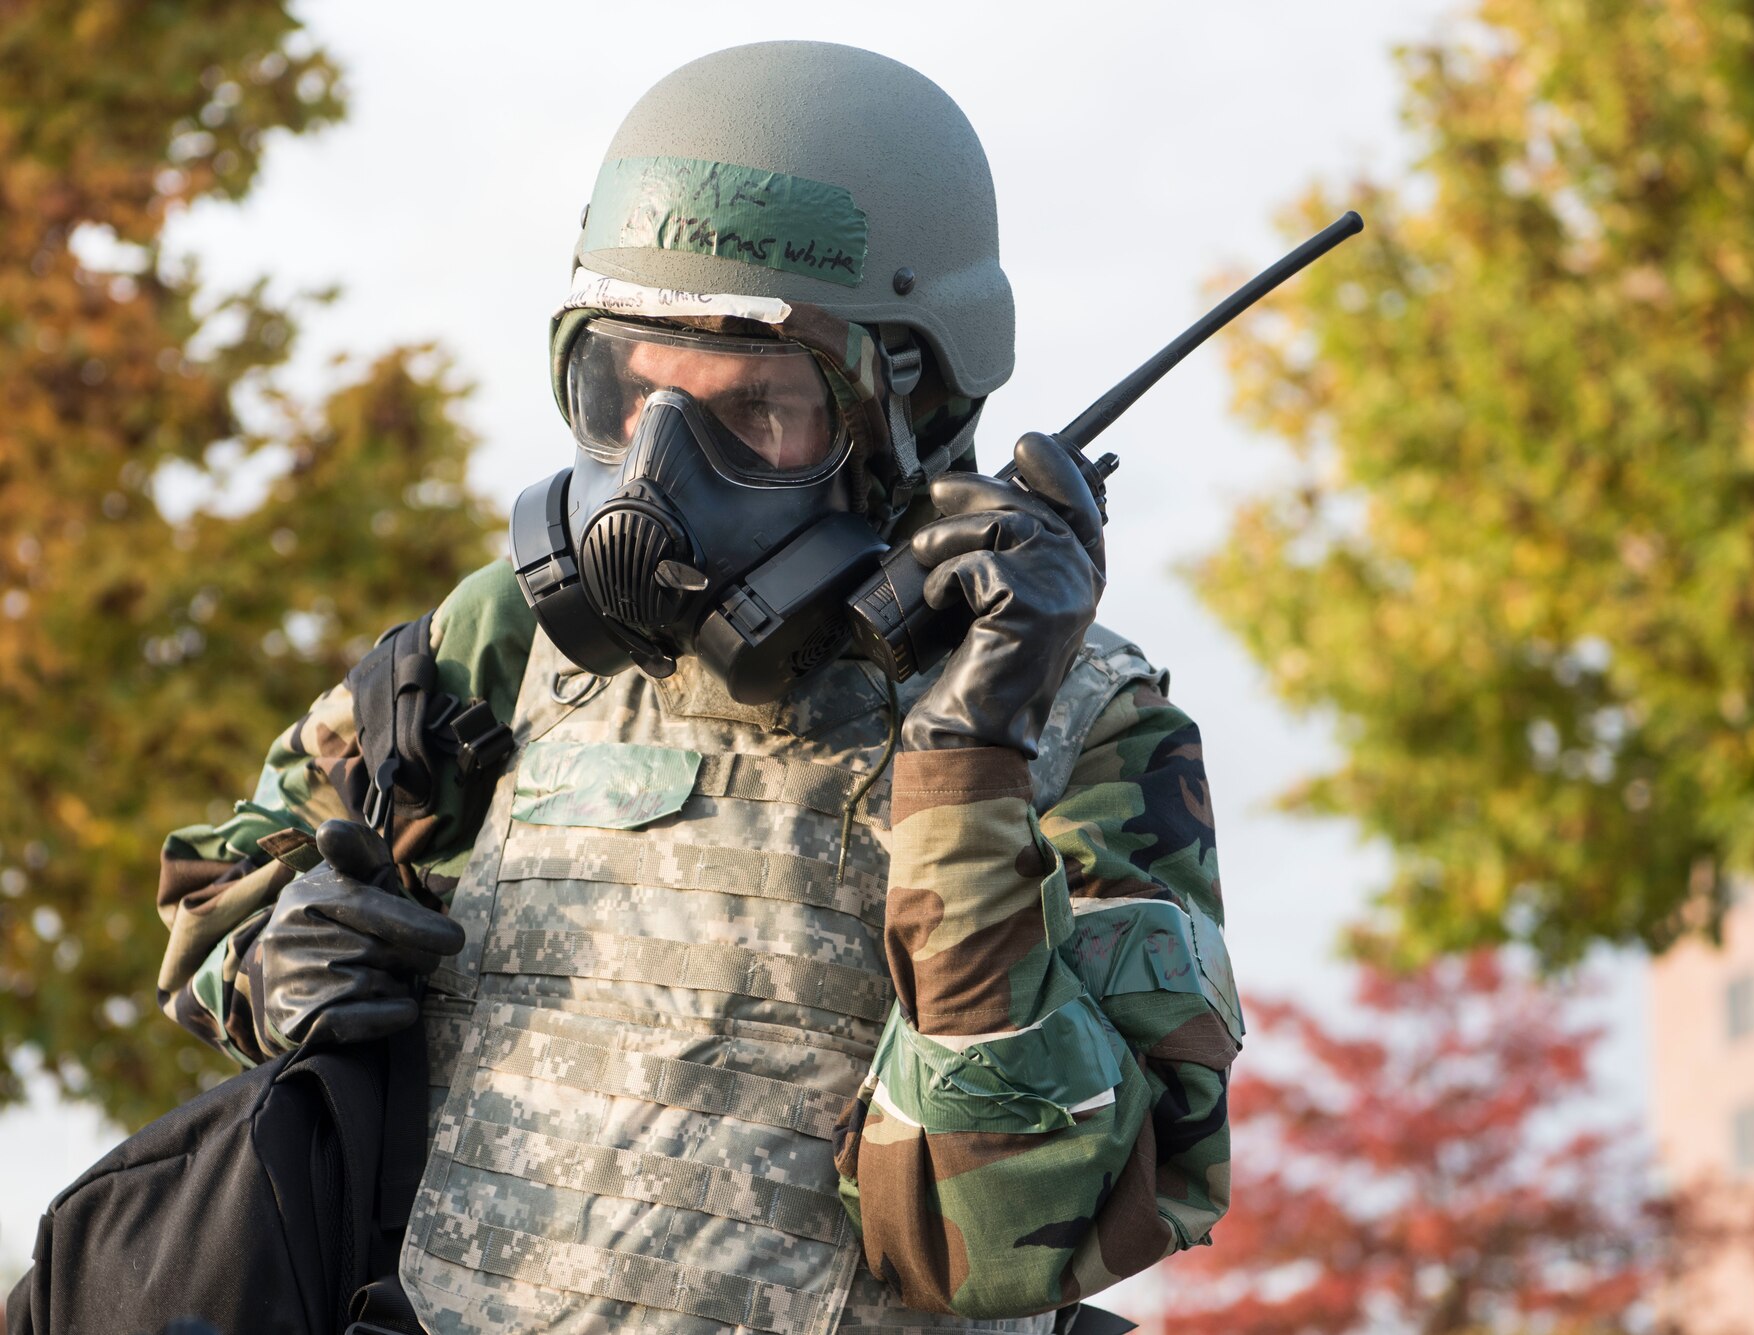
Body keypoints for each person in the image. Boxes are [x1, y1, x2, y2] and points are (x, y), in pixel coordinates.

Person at [153, 40, 1239, 1335]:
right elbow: (223, 897)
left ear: (918, 406)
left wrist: (972, 759)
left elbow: (996, 1242)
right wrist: (277, 958)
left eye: (760, 410)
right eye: (626, 392)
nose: (658, 477)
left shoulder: (1088, 732)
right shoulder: (504, 639)